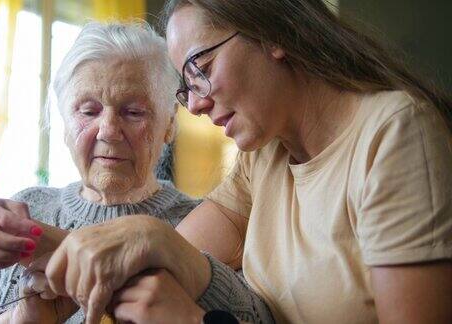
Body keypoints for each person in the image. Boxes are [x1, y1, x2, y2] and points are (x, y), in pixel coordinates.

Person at [38, 0, 452, 323]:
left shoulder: (395, 133)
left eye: (201, 67)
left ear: (271, 35)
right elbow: (163, 256)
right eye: (186, 84)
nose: (196, 105)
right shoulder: (265, 155)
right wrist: (39, 245)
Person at [0, 21, 202, 324]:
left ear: (171, 124)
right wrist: (16, 320)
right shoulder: (28, 212)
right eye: (88, 111)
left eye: (133, 112)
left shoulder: (204, 222)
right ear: (65, 125)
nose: (108, 131)